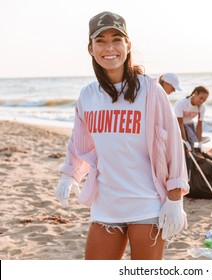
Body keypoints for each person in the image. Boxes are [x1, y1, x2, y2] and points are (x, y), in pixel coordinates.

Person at [54, 11, 189, 260]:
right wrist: (69, 175)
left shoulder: (151, 91)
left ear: (128, 44)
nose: (110, 48)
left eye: (117, 39)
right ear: (91, 48)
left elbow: (173, 146)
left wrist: (175, 198)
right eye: (101, 41)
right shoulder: (88, 95)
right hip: (106, 203)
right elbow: (80, 143)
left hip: (147, 201)